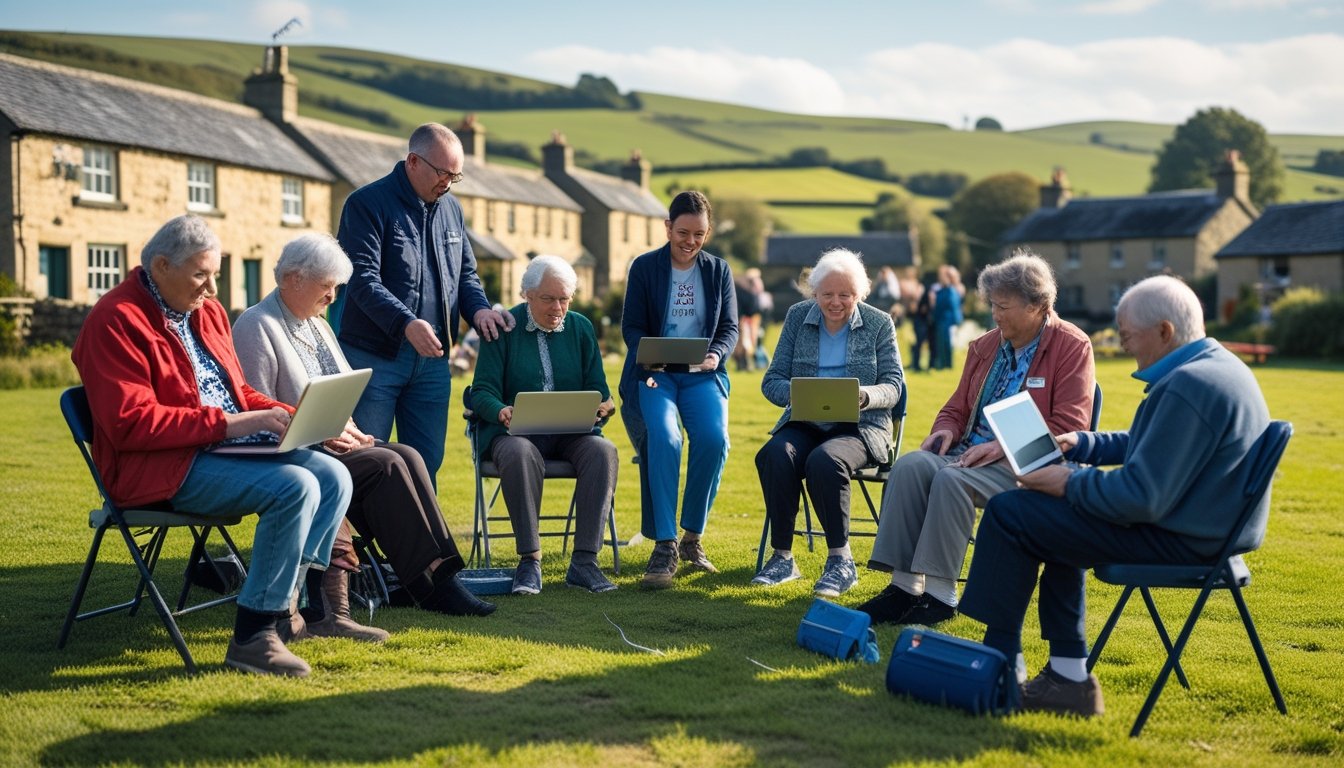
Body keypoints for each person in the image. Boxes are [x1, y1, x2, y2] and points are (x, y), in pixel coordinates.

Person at [958, 275, 1270, 718]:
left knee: (1012, 511)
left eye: (1128, 336)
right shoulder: (1216, 368)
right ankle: (1065, 676)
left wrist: (1065, 483)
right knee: (1048, 518)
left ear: (1164, 331)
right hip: (1202, 526)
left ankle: (1001, 666)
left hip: (1185, 539)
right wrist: (1080, 445)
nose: (1125, 347)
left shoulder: (1188, 387)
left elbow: (1140, 496)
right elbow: (1154, 442)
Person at [70, 215, 351, 678]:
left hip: (214, 451)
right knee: (295, 486)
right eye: (202, 275)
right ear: (161, 266)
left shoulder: (206, 312)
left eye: (215, 274)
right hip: (159, 469)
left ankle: (284, 608)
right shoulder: (114, 321)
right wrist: (234, 424)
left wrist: (285, 414)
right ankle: (252, 636)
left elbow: (237, 393)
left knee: (333, 474)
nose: (213, 289)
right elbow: (130, 425)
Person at [233, 233, 496, 622]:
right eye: (326, 288)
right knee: (388, 465)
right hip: (295, 454)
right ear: (293, 279)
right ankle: (429, 583)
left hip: (332, 442)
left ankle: (436, 572)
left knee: (406, 454)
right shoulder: (256, 325)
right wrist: (323, 431)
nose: (332, 298)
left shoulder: (317, 325)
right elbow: (255, 411)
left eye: (336, 288)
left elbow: (338, 390)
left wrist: (352, 429)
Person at [858, 251, 1094, 626]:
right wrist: (945, 430)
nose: (995, 315)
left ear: (1039, 306)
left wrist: (1000, 447)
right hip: (970, 451)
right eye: (993, 305)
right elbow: (957, 406)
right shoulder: (985, 345)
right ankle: (903, 589)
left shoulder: (1072, 345)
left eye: (1004, 306)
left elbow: (1069, 425)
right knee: (910, 467)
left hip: (1028, 463)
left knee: (952, 479)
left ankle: (940, 596)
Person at [335, 123, 514, 486]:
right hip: (374, 358)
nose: (447, 182)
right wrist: (405, 323)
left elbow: (465, 276)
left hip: (432, 362)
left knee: (426, 461)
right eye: (442, 173)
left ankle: (411, 543)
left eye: (455, 175)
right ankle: (355, 542)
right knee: (367, 456)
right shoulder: (366, 204)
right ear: (413, 161)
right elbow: (361, 279)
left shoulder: (452, 211)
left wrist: (478, 309)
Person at [753, 249, 903, 595]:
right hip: (805, 419)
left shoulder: (880, 323)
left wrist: (865, 396)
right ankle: (782, 558)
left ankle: (841, 561)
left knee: (825, 460)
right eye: (827, 295)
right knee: (774, 454)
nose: (835, 302)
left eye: (845, 295)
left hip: (860, 427)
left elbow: (894, 386)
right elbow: (771, 380)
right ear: (814, 293)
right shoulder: (797, 317)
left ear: (859, 294)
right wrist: (798, 393)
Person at [470, 255, 620, 595]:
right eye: (548, 299)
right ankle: (530, 561)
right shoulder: (504, 327)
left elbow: (599, 388)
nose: (557, 308)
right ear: (527, 295)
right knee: (520, 452)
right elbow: (481, 391)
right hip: (515, 434)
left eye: (564, 299)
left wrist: (604, 406)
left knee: (603, 451)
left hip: (572, 433)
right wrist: (500, 410)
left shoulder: (580, 327)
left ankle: (584, 563)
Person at [620, 191, 738, 589]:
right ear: (667, 227)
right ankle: (664, 545)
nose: (690, 242)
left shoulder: (718, 271)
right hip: (656, 374)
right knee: (665, 440)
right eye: (683, 232)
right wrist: (646, 354)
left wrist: (717, 355)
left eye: (699, 235)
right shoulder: (644, 267)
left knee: (713, 439)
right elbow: (631, 327)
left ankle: (692, 537)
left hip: (701, 374)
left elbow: (729, 328)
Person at [932, 264, 964, 370]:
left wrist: (957, 320)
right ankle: (942, 363)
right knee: (941, 343)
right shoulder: (940, 291)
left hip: (949, 321)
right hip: (941, 320)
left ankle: (948, 365)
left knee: (948, 344)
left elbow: (954, 307)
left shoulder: (951, 291)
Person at [909, 278, 933, 372]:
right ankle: (916, 364)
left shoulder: (923, 294)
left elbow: (916, 309)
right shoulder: (925, 292)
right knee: (918, 345)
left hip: (922, 322)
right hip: (920, 322)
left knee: (919, 344)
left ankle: (916, 364)